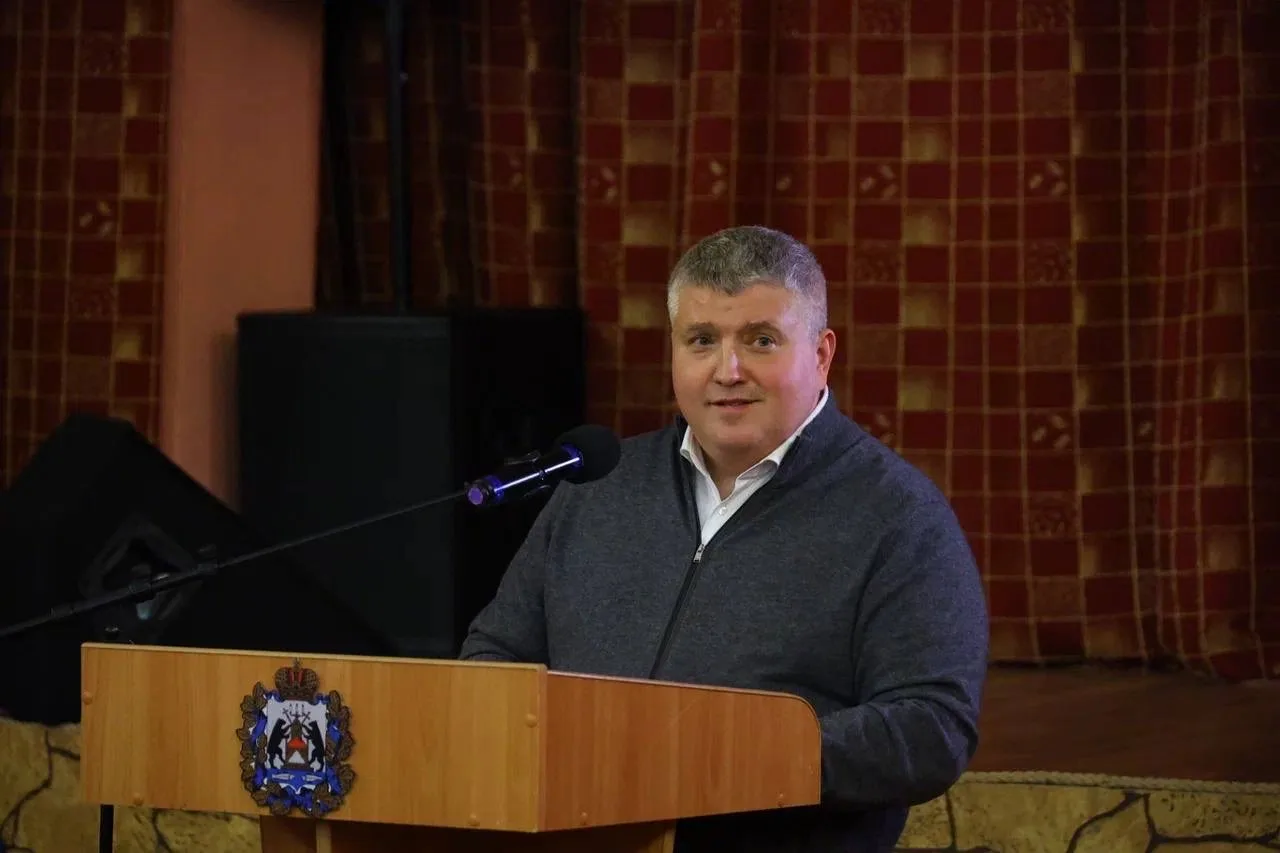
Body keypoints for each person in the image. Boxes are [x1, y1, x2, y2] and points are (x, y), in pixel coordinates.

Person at [459, 225, 989, 852]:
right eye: (702, 341)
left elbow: (931, 730)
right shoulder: (599, 487)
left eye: (761, 340)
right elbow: (497, 653)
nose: (727, 371)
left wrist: (732, 756)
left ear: (821, 354)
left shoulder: (899, 516)